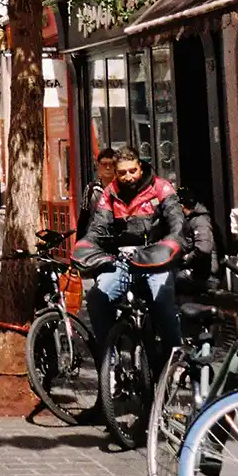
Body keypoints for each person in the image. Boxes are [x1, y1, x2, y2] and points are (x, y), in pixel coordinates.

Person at [80, 150, 186, 353]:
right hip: (124, 260)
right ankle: (109, 358)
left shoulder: (161, 187)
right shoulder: (109, 193)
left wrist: (172, 242)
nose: (128, 176)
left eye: (132, 171)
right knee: (96, 299)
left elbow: (177, 221)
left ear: (140, 166)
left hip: (158, 258)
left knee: (161, 303)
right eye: (122, 173)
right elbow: (98, 226)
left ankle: (175, 353)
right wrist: (86, 247)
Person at [177, 187, 219, 294]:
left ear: (181, 206)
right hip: (199, 273)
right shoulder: (191, 220)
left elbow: (204, 249)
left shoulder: (200, 221)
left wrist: (187, 258)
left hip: (204, 276)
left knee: (169, 280)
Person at [76, 147, 119, 239]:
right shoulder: (91, 189)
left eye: (111, 164)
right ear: (98, 165)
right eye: (104, 164)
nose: (108, 167)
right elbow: (84, 218)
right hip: (95, 237)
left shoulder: (121, 187)